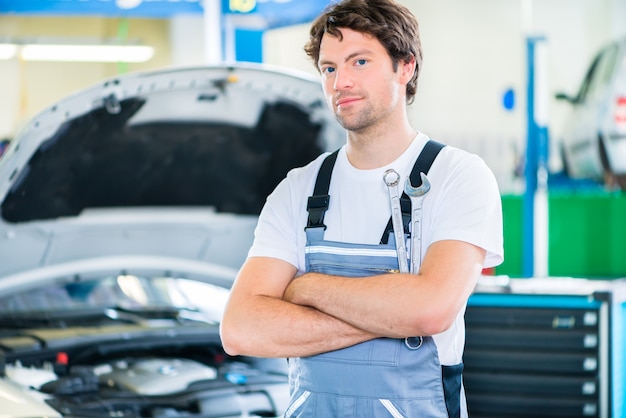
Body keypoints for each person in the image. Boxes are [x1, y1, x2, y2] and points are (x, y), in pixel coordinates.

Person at [220, 0, 504, 416]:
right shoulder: (298, 189)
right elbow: (241, 328)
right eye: (329, 68)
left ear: (404, 67)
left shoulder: (458, 176)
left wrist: (306, 289)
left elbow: (431, 310)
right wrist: (389, 316)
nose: (341, 82)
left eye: (360, 62)